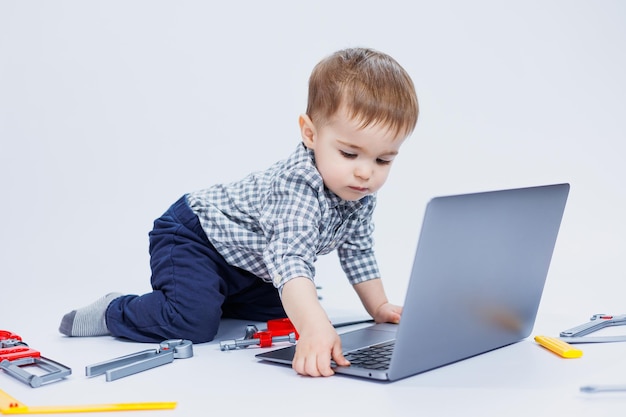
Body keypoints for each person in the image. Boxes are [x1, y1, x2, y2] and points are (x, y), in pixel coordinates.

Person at [59, 47, 419, 377]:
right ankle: (114, 311)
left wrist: (380, 305)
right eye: (350, 154)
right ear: (310, 134)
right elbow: (290, 260)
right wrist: (313, 326)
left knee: (285, 310)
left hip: (246, 264)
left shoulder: (359, 193)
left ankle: (215, 297)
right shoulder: (297, 187)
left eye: (383, 159)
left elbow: (357, 250)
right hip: (195, 236)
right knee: (193, 324)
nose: (365, 172)